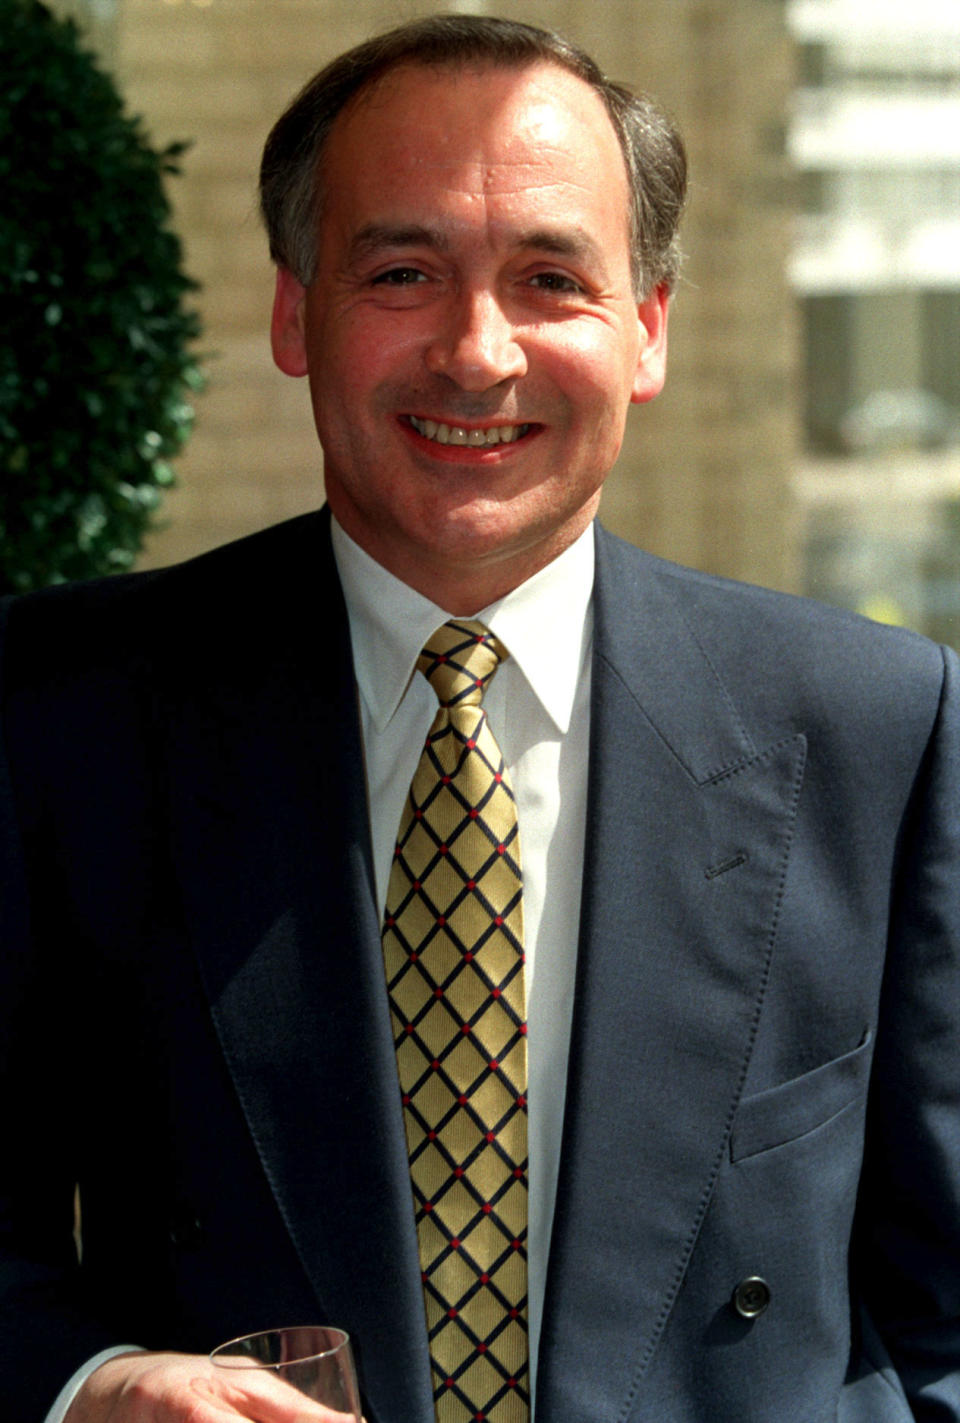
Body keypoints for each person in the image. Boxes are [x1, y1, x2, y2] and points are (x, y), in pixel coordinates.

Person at [2, 12, 959, 1423]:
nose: (477, 351)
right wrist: (88, 1385)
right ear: (292, 311)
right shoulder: (61, 714)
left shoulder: (876, 726)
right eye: (403, 271)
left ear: (645, 331)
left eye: (551, 280)